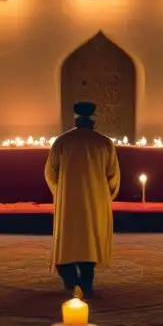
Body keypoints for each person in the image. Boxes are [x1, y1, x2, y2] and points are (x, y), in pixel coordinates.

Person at [44, 101, 120, 297]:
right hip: (96, 201)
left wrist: (61, 193)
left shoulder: (62, 142)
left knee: (69, 240)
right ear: (93, 121)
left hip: (68, 202)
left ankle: (71, 279)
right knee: (90, 241)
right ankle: (86, 282)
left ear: (76, 120)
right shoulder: (104, 143)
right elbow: (113, 177)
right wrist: (103, 197)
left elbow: (50, 174)